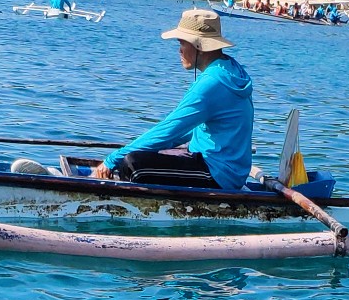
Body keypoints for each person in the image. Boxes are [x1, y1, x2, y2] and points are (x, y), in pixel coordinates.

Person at [92, 10, 254, 190]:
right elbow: (192, 129)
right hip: (225, 167)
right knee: (150, 151)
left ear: (199, 45)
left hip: (219, 174)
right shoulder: (229, 68)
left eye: (181, 42)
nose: (179, 49)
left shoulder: (212, 83)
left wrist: (112, 160)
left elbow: (170, 130)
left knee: (131, 164)